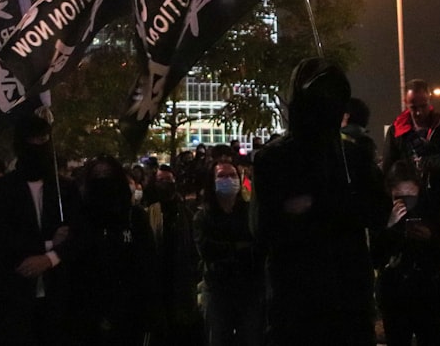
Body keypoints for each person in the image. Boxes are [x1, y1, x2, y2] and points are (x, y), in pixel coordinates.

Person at [251, 57, 388, 346]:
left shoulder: (354, 156)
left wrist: (331, 204)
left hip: (350, 303)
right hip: (297, 307)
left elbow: (378, 214)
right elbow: (262, 230)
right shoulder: (273, 159)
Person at [0, 111, 79, 346]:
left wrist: (51, 259)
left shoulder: (65, 190)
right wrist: (48, 247)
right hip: (14, 300)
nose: (39, 148)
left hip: (59, 301)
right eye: (33, 141)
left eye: (44, 141)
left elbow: (79, 233)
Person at [72, 155, 155, 345]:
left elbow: (147, 263)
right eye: (98, 177)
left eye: (108, 176)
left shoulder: (134, 217)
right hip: (88, 310)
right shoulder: (80, 218)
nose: (104, 184)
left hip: (129, 311)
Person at [372, 161, 440, 346]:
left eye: (411, 196)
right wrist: (390, 226)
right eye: (399, 196)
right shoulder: (383, 211)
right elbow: (375, 256)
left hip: (431, 293)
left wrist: (431, 237)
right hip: (395, 295)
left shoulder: (432, 209)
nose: (406, 202)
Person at [194, 160, 264, 346]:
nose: (228, 180)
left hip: (248, 289)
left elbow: (258, 247)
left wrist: (229, 248)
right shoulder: (204, 216)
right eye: (222, 176)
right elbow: (207, 250)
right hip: (218, 289)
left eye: (232, 175)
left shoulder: (249, 213)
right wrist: (237, 247)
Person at [147, 164, 202, 345]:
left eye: (168, 180)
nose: (164, 184)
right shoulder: (149, 213)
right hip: (157, 280)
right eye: (160, 180)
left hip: (181, 280)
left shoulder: (186, 211)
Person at [383, 79, 440, 200]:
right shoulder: (396, 131)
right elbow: (388, 167)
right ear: (406, 103)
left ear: (430, 101)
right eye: (413, 107)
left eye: (423, 106)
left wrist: (428, 162)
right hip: (409, 199)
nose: (419, 112)